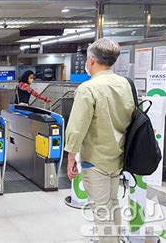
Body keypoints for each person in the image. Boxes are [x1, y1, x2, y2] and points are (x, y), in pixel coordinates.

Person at [65, 39, 135, 243]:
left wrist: (71, 157)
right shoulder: (125, 84)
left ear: (92, 59)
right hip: (118, 156)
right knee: (113, 204)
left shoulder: (88, 88)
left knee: (101, 211)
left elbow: (77, 127)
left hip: (95, 159)